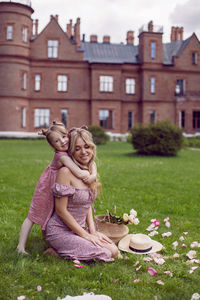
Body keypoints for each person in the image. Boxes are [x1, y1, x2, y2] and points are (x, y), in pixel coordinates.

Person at [17, 122, 97, 254]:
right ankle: (20, 246)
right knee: (34, 214)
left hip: (59, 184)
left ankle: (50, 238)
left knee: (53, 209)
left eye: (64, 137)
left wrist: (93, 175)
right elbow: (78, 172)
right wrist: (87, 175)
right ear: (52, 145)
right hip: (46, 186)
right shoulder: (62, 156)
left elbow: (91, 162)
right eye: (56, 140)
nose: (62, 141)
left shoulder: (70, 148)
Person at [45, 127, 119, 262]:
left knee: (114, 250)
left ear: (92, 148)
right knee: (105, 254)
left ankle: (68, 248)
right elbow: (61, 211)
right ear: (71, 151)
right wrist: (85, 235)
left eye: (87, 147)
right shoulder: (65, 173)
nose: (83, 152)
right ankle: (55, 251)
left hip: (80, 229)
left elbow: (87, 204)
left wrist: (93, 231)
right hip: (60, 230)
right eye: (77, 148)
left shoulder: (90, 171)